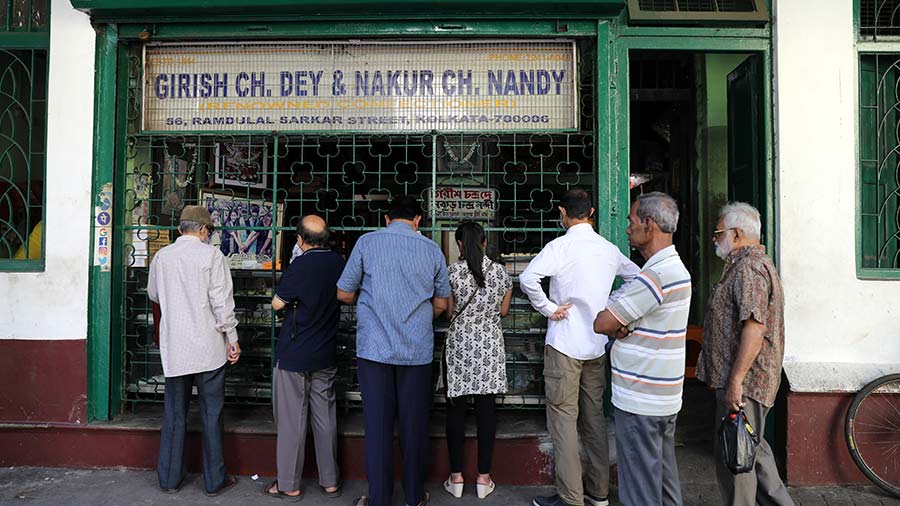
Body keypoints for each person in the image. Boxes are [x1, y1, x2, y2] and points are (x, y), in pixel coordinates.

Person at [520, 188, 640, 506]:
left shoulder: (559, 247)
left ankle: (571, 498)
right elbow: (638, 279)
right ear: (591, 214)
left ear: (562, 213)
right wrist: (611, 308)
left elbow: (528, 278)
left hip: (564, 345)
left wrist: (549, 309)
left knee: (563, 421)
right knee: (594, 420)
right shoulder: (608, 249)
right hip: (597, 346)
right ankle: (598, 493)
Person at [337, 195, 450, 506]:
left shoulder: (367, 243)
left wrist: (374, 300)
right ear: (417, 221)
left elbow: (343, 293)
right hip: (417, 353)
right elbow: (442, 303)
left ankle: (379, 499)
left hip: (374, 352)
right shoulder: (431, 249)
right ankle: (414, 497)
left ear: (386, 219)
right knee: (414, 427)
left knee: (378, 427)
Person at [593, 192, 692, 506]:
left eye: (631, 221)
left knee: (638, 490)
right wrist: (624, 323)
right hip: (663, 397)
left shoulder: (654, 277)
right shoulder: (675, 270)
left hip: (640, 400)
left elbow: (602, 322)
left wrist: (621, 326)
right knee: (663, 482)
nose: (626, 229)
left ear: (649, 225)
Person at [698, 203, 795, 506]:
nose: (714, 239)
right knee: (754, 449)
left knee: (736, 459)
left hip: (746, 384)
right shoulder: (747, 265)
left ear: (737, 234)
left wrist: (736, 382)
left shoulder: (750, 268)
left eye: (718, 233)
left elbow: (754, 328)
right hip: (748, 382)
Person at [146, 205, 241, 496]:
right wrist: (232, 338)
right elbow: (221, 302)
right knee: (212, 414)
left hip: (176, 349)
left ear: (179, 229)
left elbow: (154, 294)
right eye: (208, 231)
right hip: (209, 347)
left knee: (174, 413)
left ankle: (169, 479)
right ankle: (214, 482)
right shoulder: (213, 256)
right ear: (202, 230)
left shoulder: (162, 257)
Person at [263, 215, 345, 501]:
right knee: (325, 417)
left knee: (291, 421)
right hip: (326, 350)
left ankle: (289, 484)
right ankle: (331, 481)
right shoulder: (338, 262)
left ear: (300, 239)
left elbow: (276, 304)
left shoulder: (299, 265)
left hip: (295, 353)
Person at [442, 222, 513, 500]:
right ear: (485, 242)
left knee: (455, 412)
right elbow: (504, 311)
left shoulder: (452, 273)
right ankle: (484, 479)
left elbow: (448, 312)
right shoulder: (500, 273)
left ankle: (456, 477)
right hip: (490, 348)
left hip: (459, 347)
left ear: (460, 244)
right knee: (486, 413)